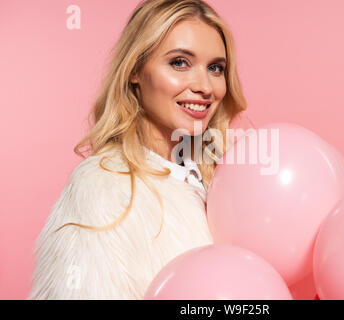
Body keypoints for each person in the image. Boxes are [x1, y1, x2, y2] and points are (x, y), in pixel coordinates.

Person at [28, 0, 247, 299]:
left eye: (215, 68)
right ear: (135, 70)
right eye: (179, 62)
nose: (205, 86)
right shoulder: (104, 188)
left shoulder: (235, 176)